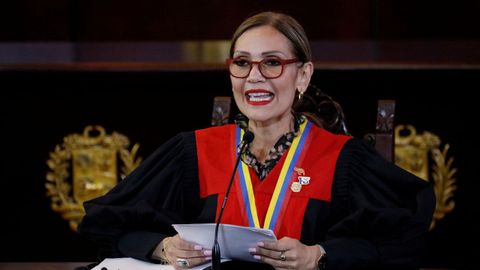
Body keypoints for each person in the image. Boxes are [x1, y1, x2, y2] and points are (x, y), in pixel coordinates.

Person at [78, 11, 435, 270]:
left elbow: (402, 241)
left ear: (303, 76)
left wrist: (318, 255)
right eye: (242, 63)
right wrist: (162, 247)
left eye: (272, 63)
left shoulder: (343, 160)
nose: (255, 78)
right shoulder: (192, 152)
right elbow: (108, 221)